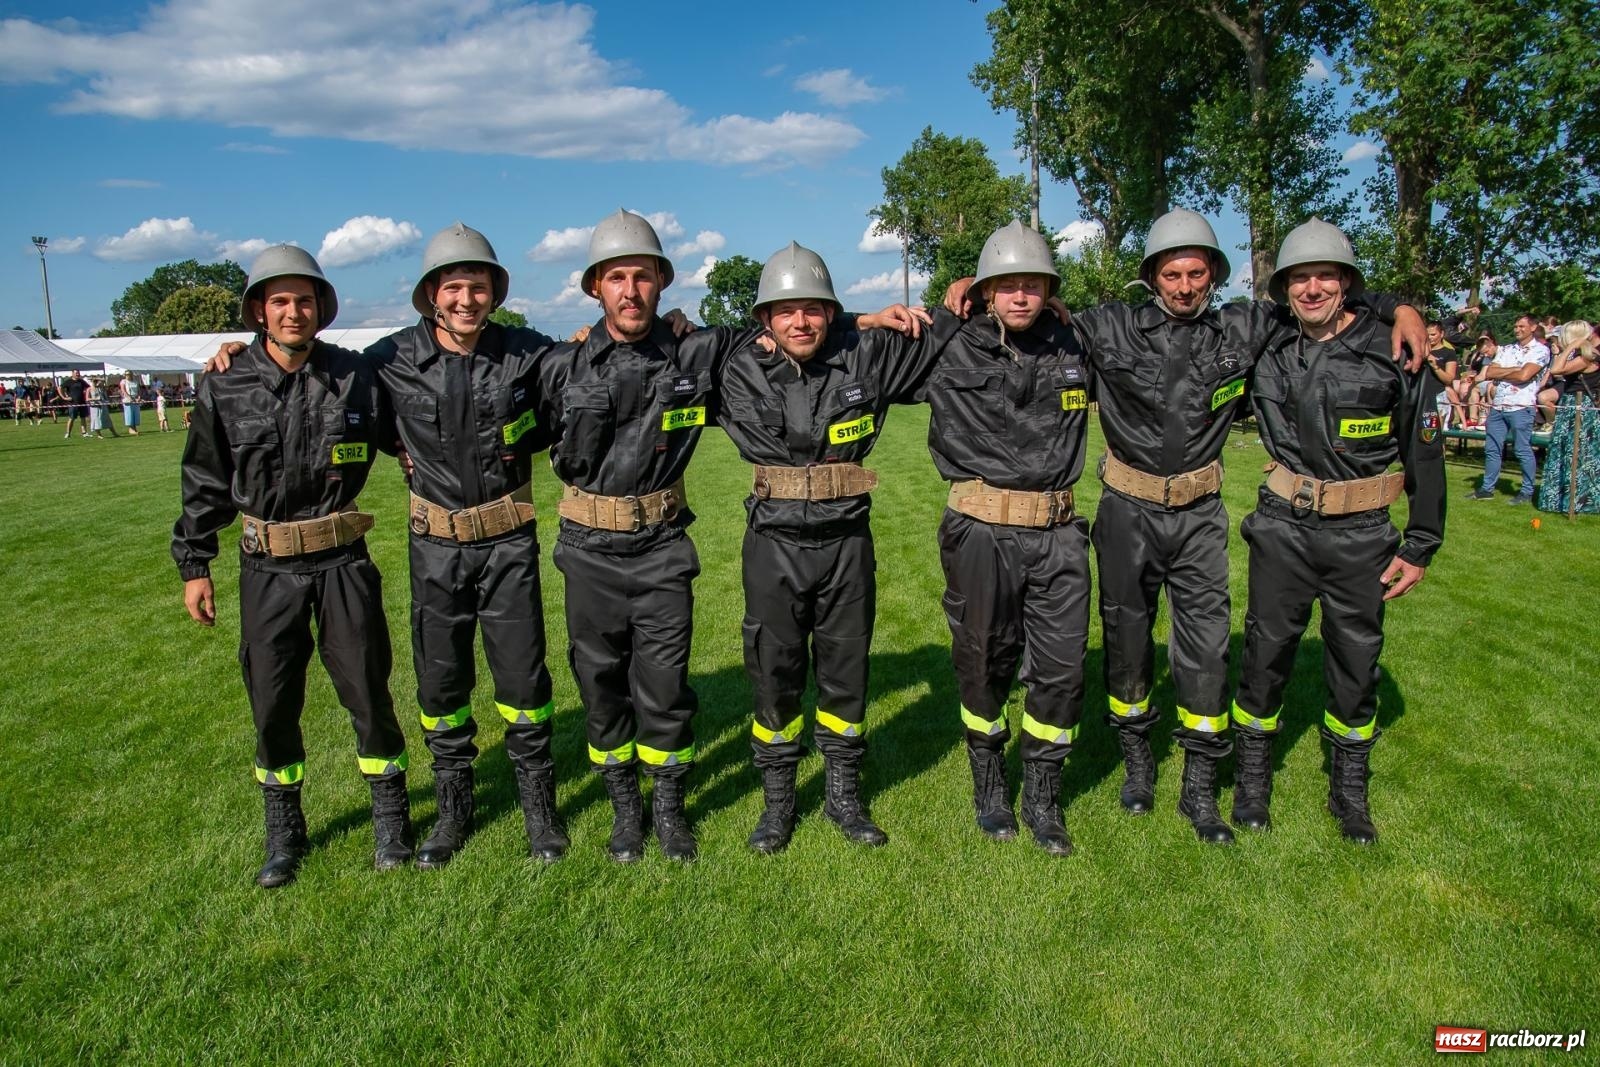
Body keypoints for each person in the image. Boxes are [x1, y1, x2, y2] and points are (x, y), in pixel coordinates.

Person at [942, 210, 1424, 843]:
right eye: (1172, 273)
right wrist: (966, 292)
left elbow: (1318, 296)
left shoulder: (1247, 327)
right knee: (1126, 640)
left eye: (1198, 272)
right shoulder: (1103, 326)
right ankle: (1137, 765)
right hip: (1126, 513)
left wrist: (1401, 306)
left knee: (1205, 648)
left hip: (1200, 516)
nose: (1185, 285)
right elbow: (1023, 311)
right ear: (1152, 277)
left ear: (1215, 276)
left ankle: (1200, 786)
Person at [530, 211, 768, 863]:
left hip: (663, 549)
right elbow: (488, 406)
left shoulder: (699, 351)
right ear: (595, 288)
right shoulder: (560, 364)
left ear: (662, 281)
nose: (630, 289)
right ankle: (625, 811)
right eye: (616, 277)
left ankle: (668, 806)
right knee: (601, 685)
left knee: (664, 686)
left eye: (642, 275)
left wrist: (873, 320)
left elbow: (793, 330)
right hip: (588, 554)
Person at [173, 246, 412, 888]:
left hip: (343, 563)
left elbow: (414, 421)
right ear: (259, 310)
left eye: (303, 300)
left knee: (368, 691)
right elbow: (204, 480)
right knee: (273, 703)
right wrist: (196, 562)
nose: (292, 312)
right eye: (278, 301)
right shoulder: (224, 383)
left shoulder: (359, 376)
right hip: (267, 570)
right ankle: (285, 830)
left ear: (321, 309)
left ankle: (391, 820)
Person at [720, 242, 950, 854]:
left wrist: (969, 292)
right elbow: (657, 344)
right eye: (786, 310)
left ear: (832, 312)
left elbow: (949, 334)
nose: (801, 322)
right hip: (772, 546)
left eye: (816, 310)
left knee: (846, 674)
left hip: (847, 542)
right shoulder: (736, 365)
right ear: (764, 319)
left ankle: (843, 796)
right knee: (775, 674)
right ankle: (777, 804)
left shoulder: (866, 357)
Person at [1229, 219, 1445, 845]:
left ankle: (1349, 791)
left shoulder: (1394, 348)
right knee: (1264, 654)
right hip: (1281, 530)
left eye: (1327, 276)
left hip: (1363, 534)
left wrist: (1422, 542)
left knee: (1356, 662)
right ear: (1285, 288)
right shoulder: (1266, 343)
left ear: (1348, 284)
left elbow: (1424, 453)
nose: (1314, 288)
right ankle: (1252, 779)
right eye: (1301, 277)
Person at [911, 222, 1093, 856]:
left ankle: (1042, 796)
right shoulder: (948, 345)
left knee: (1064, 670)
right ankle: (989, 783)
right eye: (1007, 286)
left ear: (1049, 289)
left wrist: (1391, 305)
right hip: (980, 532)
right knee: (983, 659)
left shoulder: (1077, 342)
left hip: (1061, 533)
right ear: (986, 291)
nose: (1021, 296)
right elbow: (843, 340)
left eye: (1033, 285)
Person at [1468, 313, 1550, 504]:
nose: (1517, 330)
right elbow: (1491, 371)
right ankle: (1487, 489)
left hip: (1521, 405)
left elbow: (1524, 376)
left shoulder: (1540, 350)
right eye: (1515, 327)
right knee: (1492, 448)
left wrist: (1507, 373)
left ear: (1532, 327)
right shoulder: (1506, 349)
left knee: (1522, 449)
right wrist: (1515, 370)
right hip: (1498, 404)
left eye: (1521, 326)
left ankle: (1527, 491)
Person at [56, 370, 92, 439]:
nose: (78, 374)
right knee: (71, 418)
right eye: (76, 373)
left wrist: (87, 393)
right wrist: (64, 397)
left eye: (78, 373)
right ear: (72, 374)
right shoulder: (68, 381)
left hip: (82, 402)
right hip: (72, 403)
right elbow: (59, 388)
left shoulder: (81, 381)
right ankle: (68, 433)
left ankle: (84, 432)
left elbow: (89, 387)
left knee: (83, 417)